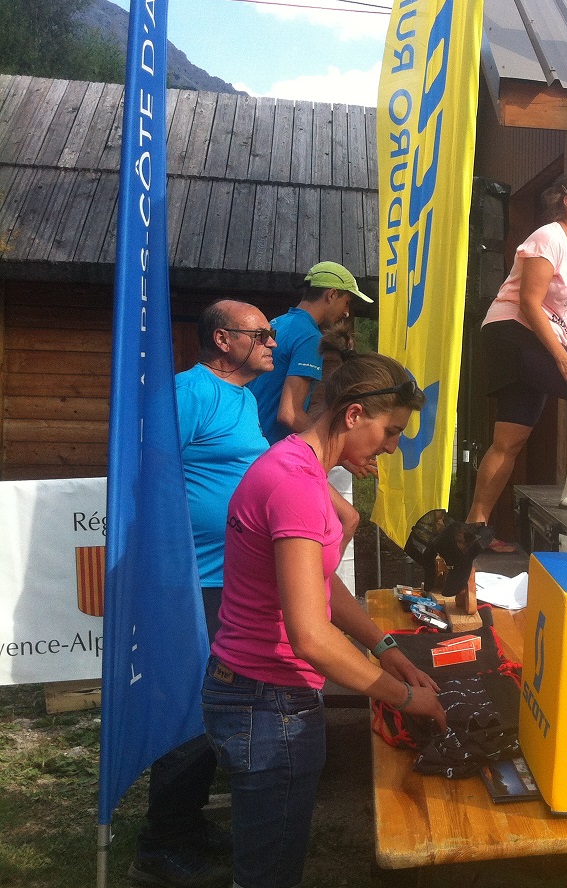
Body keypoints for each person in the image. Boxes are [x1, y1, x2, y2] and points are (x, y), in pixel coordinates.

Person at [203, 353, 447, 888]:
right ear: (354, 414)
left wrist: (387, 648)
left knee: (271, 854)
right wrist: (401, 697)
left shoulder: (299, 467)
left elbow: (317, 581)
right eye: (391, 431)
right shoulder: (293, 484)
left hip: (258, 693)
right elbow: (311, 636)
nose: (391, 447)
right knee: (269, 873)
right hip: (267, 701)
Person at [129, 300, 276, 888]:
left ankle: (186, 823)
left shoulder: (242, 399)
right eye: (260, 333)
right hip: (190, 582)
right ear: (222, 339)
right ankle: (158, 849)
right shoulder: (187, 392)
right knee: (188, 715)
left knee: (215, 709)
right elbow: (146, 474)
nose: (271, 341)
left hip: (230, 578)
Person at [467, 171, 567, 527]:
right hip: (512, 331)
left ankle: (474, 526)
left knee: (510, 439)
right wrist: (560, 356)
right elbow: (530, 302)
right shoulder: (548, 237)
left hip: (536, 336)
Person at [249, 261, 372, 445]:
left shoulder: (275, 323)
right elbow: (290, 415)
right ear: (331, 294)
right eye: (347, 303)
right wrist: (338, 448)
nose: (346, 313)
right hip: (269, 448)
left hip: (249, 440)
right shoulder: (310, 337)